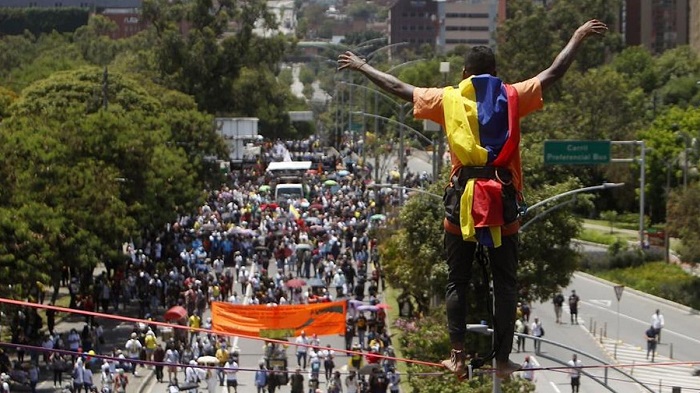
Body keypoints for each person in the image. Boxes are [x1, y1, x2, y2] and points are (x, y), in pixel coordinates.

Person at [338, 19, 607, 379]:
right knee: (506, 282)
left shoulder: (447, 98)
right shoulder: (513, 94)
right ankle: (502, 360)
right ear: (496, 73)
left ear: (464, 73)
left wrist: (362, 66)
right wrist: (577, 36)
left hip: (461, 202)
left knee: (457, 281)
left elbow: (399, 87)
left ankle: (458, 356)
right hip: (504, 201)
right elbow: (553, 73)